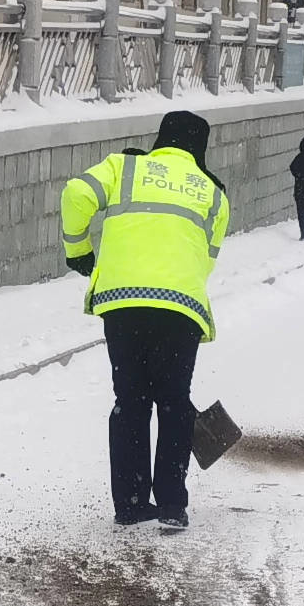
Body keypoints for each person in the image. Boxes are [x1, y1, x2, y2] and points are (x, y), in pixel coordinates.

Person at [59, 109, 232, 532]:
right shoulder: (214, 194)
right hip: (180, 306)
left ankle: (132, 503)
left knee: (131, 400)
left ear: (160, 139)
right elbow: (205, 261)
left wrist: (78, 249)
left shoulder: (124, 168)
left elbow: (76, 194)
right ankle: (171, 504)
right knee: (173, 403)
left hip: (123, 303)